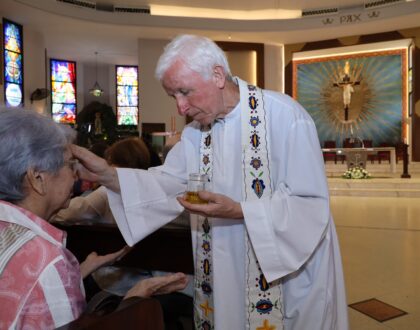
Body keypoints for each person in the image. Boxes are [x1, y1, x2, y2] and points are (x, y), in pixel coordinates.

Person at [72, 34, 348, 329]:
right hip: (223, 273)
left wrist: (241, 210)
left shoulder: (285, 116)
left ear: (217, 75)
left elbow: (310, 204)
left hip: (288, 274)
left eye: (185, 92)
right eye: (173, 96)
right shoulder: (195, 134)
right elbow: (167, 183)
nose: (180, 107)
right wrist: (110, 176)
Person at [0, 109, 188, 329]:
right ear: (37, 178)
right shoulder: (48, 261)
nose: (76, 174)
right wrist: (133, 300)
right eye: (70, 165)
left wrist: (80, 271)